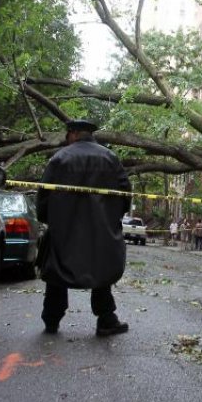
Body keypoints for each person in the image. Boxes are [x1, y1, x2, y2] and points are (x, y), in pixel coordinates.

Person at [37, 119, 131, 337]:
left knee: (57, 271)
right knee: (102, 270)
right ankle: (106, 319)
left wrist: (48, 219)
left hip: (64, 228)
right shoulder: (110, 158)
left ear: (73, 134)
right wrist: (112, 218)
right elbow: (125, 192)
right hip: (101, 227)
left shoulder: (59, 158)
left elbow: (44, 194)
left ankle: (51, 319)